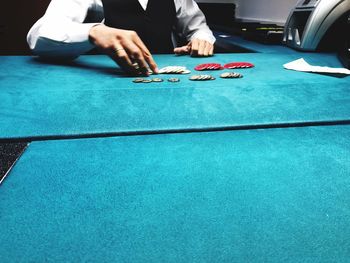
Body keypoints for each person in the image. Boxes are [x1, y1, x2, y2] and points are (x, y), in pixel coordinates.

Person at [27, 0, 216, 75]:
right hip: (105, 88)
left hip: (166, 84)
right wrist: (93, 32)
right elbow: (38, 34)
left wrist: (201, 39)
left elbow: (198, 28)